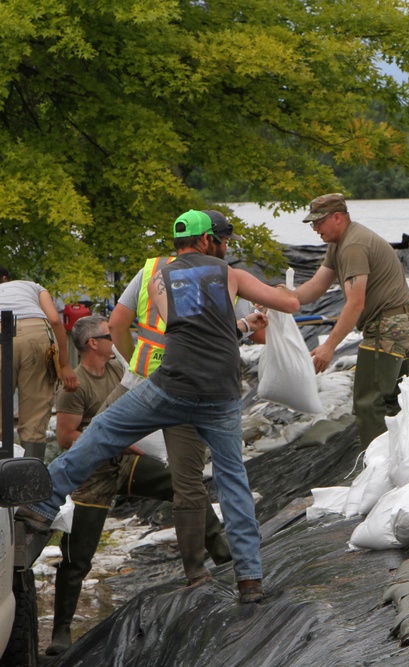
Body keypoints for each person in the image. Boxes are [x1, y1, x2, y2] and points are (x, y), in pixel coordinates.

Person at [19, 209, 299, 604]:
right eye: (220, 240)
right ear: (206, 241)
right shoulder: (231, 276)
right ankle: (249, 579)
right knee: (232, 480)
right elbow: (289, 306)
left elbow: (183, 325)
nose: (222, 247)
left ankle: (43, 502)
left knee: (101, 433)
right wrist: (273, 301)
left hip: (170, 387)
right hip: (220, 395)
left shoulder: (158, 278)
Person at [46, 314, 231, 655]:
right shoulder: (75, 386)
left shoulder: (119, 371)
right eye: (108, 336)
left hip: (127, 462)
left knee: (185, 484)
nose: (114, 340)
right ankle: (61, 630)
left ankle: (224, 555)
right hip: (94, 474)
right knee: (79, 558)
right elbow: (65, 437)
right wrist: (111, 439)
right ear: (93, 344)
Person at [104, 209, 263, 595]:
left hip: (143, 382)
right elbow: (246, 337)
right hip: (191, 387)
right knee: (189, 482)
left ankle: (48, 508)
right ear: (209, 240)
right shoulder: (222, 275)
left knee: (92, 439)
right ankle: (199, 573)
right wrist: (254, 323)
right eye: (222, 240)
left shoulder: (151, 271)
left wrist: (134, 362)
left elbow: (116, 325)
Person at [293, 193, 409, 447]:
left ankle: (377, 470)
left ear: (337, 217)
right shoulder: (339, 244)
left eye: (318, 222)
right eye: (312, 223)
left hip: (390, 328)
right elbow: (314, 288)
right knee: (393, 400)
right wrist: (277, 298)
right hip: (406, 324)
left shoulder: (354, 246)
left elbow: (356, 303)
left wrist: (328, 347)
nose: (315, 228)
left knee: (369, 402)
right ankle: (403, 458)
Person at [0, 263, 78, 461]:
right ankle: (31, 479)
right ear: (5, 278)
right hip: (37, 332)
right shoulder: (31, 286)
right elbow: (55, 321)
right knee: (36, 416)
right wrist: (64, 365)